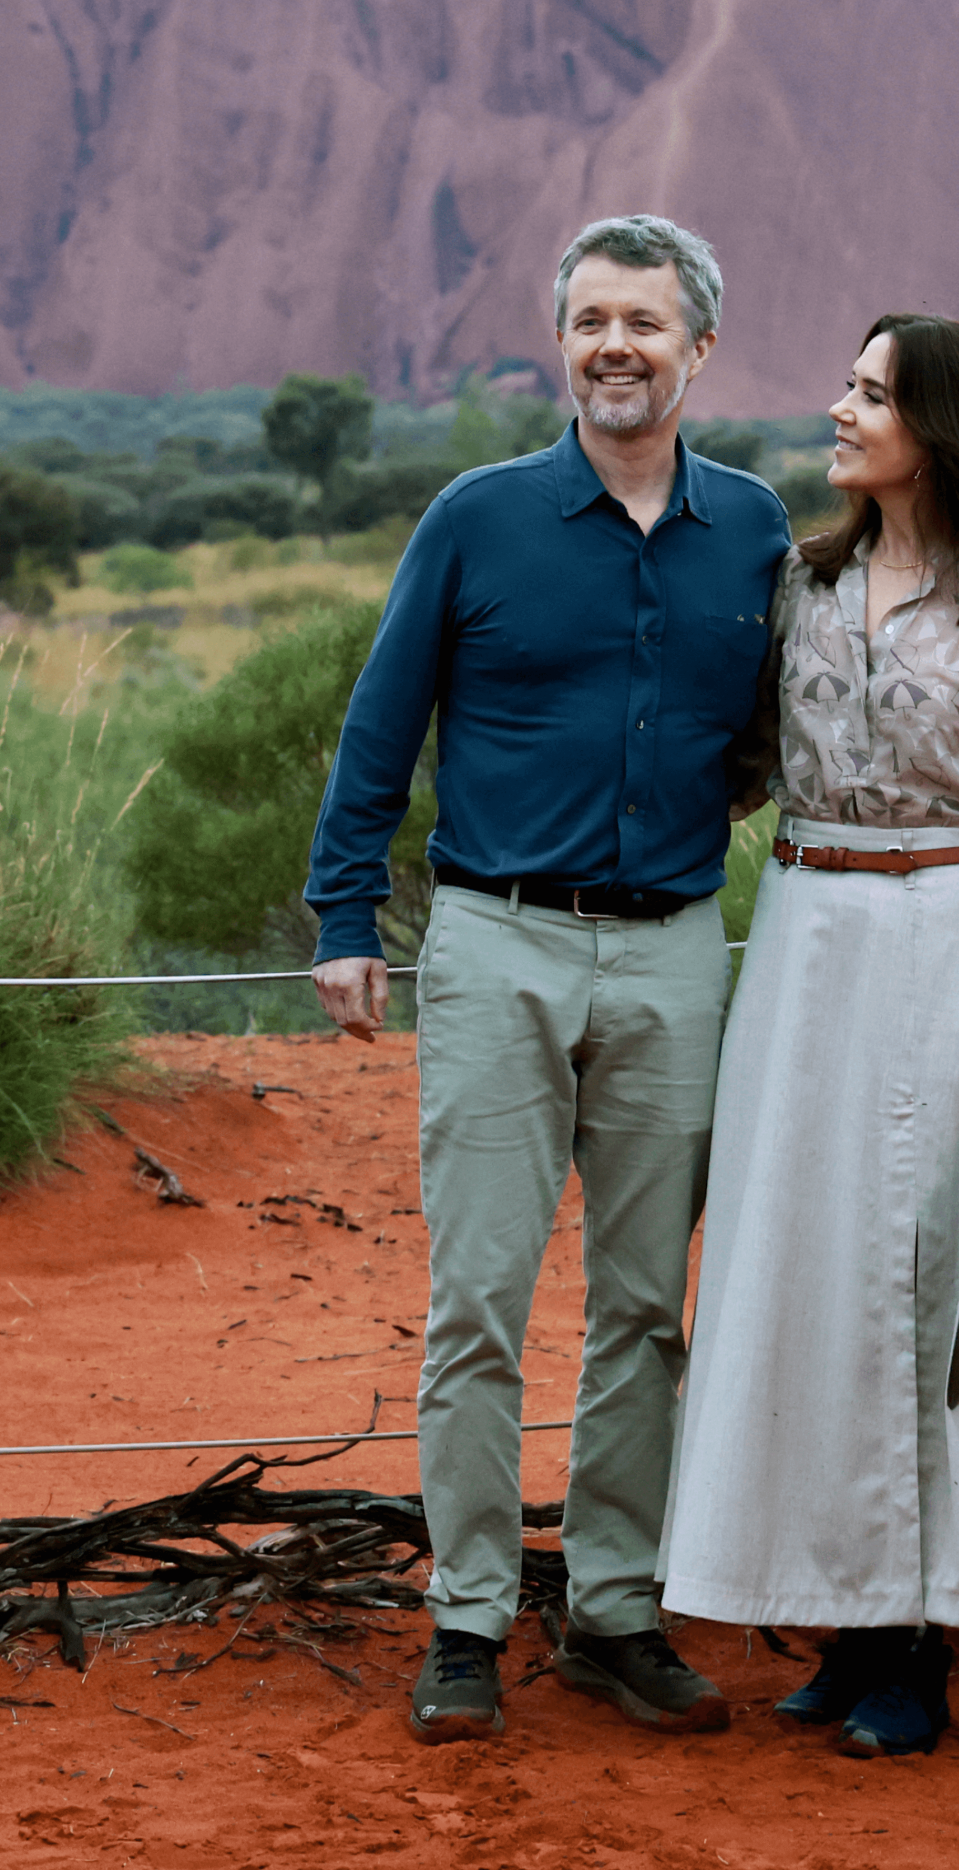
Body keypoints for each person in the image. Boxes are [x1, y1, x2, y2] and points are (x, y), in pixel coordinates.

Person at [305, 213, 792, 1741]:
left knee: (650, 1304)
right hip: (494, 942)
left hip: (669, 951)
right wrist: (341, 915)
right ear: (560, 341)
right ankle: (462, 1623)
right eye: (589, 321)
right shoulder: (478, 516)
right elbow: (382, 727)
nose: (614, 348)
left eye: (644, 323)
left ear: (698, 347)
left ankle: (613, 1610)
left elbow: (780, 737)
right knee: (480, 1303)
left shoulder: (760, 533)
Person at [655, 311, 959, 1756]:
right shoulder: (805, 582)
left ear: (947, 431)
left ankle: (919, 1644)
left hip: (939, 943)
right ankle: (849, 1626)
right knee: (804, 1274)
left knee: (912, 1284)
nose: (839, 411)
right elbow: (733, 766)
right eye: (845, 384)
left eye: (871, 394)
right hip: (799, 937)